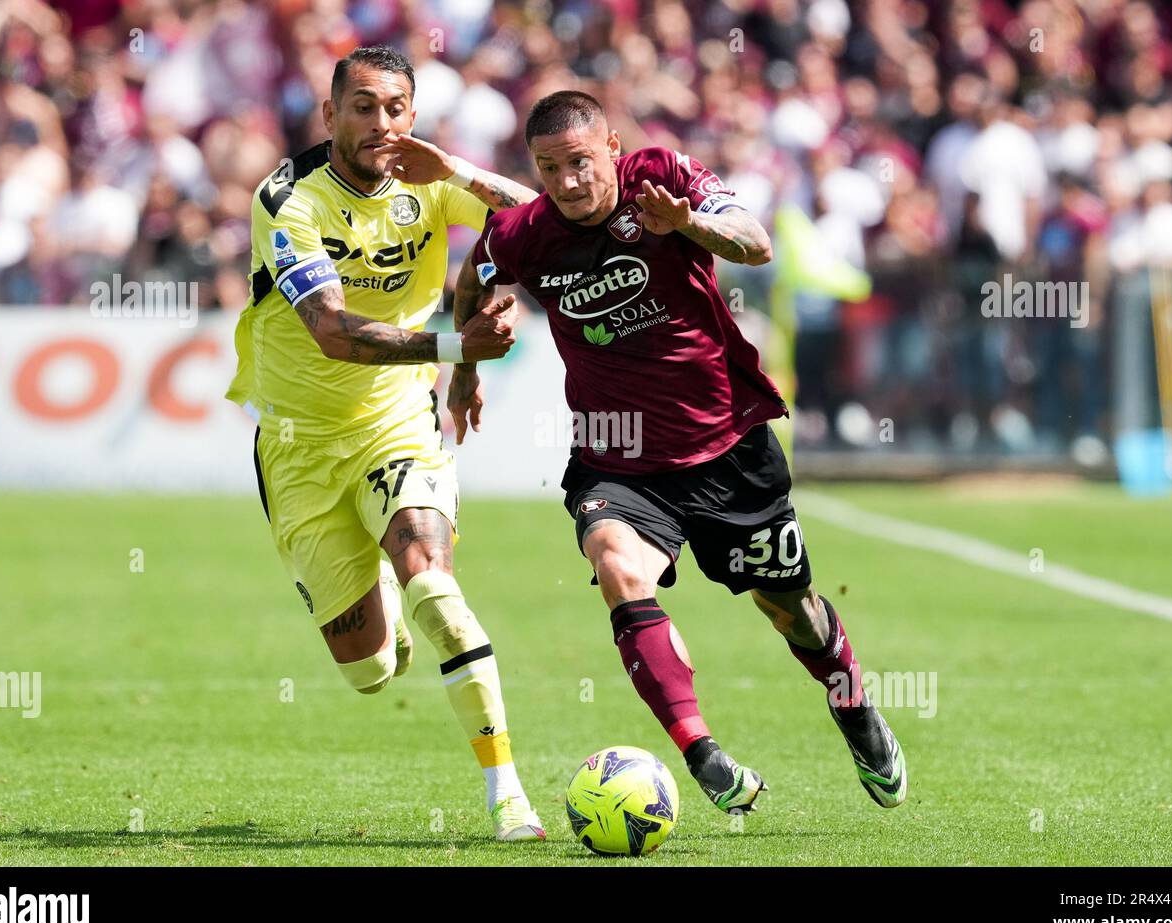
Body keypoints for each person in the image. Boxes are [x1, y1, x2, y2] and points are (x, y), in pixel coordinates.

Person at [450, 91, 907, 813]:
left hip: (726, 446)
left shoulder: (662, 178)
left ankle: (851, 703)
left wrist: (687, 223)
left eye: (579, 162)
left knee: (793, 611)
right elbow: (470, 285)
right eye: (548, 168)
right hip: (618, 458)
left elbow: (756, 243)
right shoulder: (521, 234)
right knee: (614, 562)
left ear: (611, 149)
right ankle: (702, 752)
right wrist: (465, 365)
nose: (568, 181)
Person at [225, 45, 547, 841]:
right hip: (299, 447)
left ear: (414, 114)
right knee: (369, 670)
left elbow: (546, 218)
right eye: (362, 107)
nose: (381, 124)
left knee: (432, 583)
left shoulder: (430, 178)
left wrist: (462, 172)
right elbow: (332, 332)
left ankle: (507, 793)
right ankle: (372, 592)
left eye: (395, 108)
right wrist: (456, 351)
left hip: (398, 422)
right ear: (329, 114)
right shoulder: (287, 198)